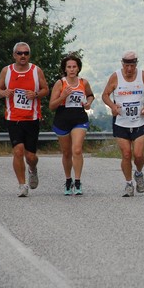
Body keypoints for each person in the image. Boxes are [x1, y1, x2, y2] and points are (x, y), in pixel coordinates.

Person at [0, 42, 49, 197]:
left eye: (25, 53)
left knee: (31, 156)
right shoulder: (7, 71)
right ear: (14, 55)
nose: (22, 55)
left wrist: (36, 95)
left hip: (32, 118)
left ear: (29, 55)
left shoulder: (36, 70)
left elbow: (46, 89)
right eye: (19, 53)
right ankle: (21, 185)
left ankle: (32, 169)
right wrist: (3, 93)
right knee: (18, 151)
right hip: (13, 118)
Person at [102, 50, 144, 197]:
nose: (129, 69)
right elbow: (105, 95)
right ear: (122, 64)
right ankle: (129, 183)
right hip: (121, 122)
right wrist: (113, 107)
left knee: (138, 155)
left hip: (138, 121)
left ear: (136, 64)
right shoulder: (115, 76)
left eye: (132, 65)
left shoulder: (143, 75)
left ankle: (138, 173)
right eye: (126, 66)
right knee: (126, 154)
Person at [49, 55, 95, 196]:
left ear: (78, 68)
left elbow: (90, 95)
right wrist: (63, 96)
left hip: (79, 119)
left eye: (74, 66)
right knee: (67, 152)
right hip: (62, 119)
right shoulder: (60, 83)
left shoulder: (83, 82)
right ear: (65, 69)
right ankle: (68, 180)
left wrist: (88, 103)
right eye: (69, 67)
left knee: (77, 150)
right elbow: (51, 106)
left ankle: (78, 180)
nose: (72, 69)